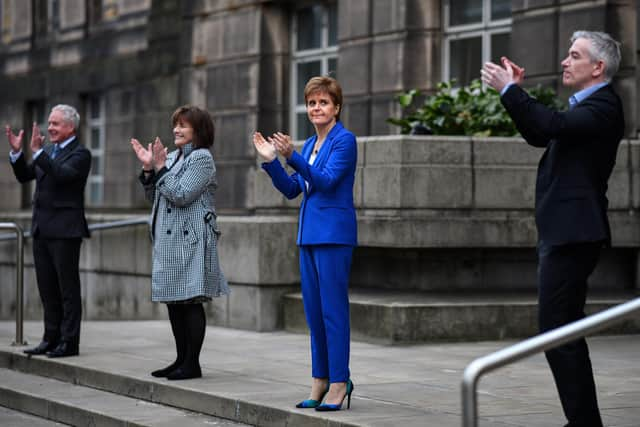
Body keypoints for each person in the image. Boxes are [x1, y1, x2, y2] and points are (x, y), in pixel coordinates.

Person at [481, 31, 624, 427]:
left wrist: (510, 91)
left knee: (558, 330)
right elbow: (540, 132)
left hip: (575, 233)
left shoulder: (604, 105)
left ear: (598, 67)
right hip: (565, 232)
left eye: (574, 55)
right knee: (559, 329)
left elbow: (552, 123)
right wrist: (515, 94)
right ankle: (583, 421)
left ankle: (583, 422)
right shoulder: (587, 107)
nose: (564, 61)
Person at [253, 76, 357, 411]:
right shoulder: (312, 144)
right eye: (312, 103)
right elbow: (292, 189)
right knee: (314, 314)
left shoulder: (345, 141)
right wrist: (271, 161)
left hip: (334, 236)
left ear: (336, 107)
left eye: (323, 102)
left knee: (333, 313)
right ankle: (320, 380)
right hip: (309, 236)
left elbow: (325, 182)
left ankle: (340, 383)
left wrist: (292, 156)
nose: (316, 108)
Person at [131, 105, 228, 381]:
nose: (176, 129)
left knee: (190, 300)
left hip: (192, 240)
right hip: (169, 240)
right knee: (174, 301)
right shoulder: (172, 157)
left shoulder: (202, 159)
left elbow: (181, 194)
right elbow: (157, 196)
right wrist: (149, 170)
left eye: (183, 125)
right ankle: (180, 359)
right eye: (175, 124)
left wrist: (160, 168)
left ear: (198, 130)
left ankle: (192, 363)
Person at [6, 105, 91, 358]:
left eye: (55, 124)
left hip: (65, 231)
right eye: (49, 123)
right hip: (42, 229)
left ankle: (69, 342)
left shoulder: (81, 154)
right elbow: (25, 176)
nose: (49, 128)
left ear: (70, 127)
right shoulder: (49, 152)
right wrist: (16, 152)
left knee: (67, 290)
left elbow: (63, 176)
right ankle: (49, 338)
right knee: (47, 290)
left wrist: (40, 152)